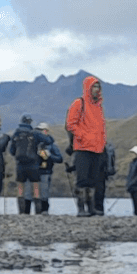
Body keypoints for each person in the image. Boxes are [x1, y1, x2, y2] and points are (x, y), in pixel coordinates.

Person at [66, 75, 108, 216]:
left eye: (98, 87)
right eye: (94, 86)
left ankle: (90, 208)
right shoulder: (79, 103)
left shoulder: (98, 107)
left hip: (97, 149)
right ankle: (81, 209)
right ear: (88, 88)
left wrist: (102, 144)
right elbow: (70, 124)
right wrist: (84, 137)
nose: (97, 90)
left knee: (93, 181)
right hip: (83, 149)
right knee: (82, 180)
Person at [9, 115, 44, 214]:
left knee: (20, 187)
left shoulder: (16, 133)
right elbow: (48, 141)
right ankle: (38, 212)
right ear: (30, 122)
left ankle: (21, 212)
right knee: (36, 187)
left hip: (20, 164)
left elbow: (12, 150)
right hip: (33, 163)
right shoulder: (34, 133)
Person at [36, 123, 58, 214]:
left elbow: (59, 158)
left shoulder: (52, 145)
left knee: (44, 192)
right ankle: (37, 211)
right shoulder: (35, 144)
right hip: (35, 172)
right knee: (36, 194)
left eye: (42, 130)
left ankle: (45, 210)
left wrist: (49, 155)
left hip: (46, 171)